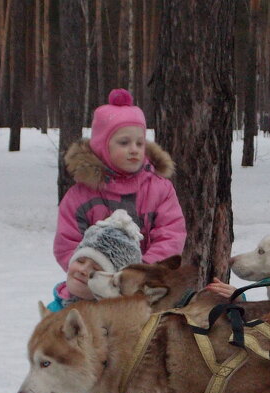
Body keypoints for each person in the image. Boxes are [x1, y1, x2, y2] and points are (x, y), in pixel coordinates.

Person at [44, 210, 228, 393]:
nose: (84, 270)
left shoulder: (130, 319)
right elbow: (51, 382)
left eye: (96, 268)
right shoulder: (56, 321)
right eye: (81, 260)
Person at [54, 89, 186, 271]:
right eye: (124, 143)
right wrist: (92, 272)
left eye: (140, 143)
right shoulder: (80, 195)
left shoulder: (159, 189)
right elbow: (67, 244)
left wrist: (142, 271)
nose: (134, 149)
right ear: (102, 146)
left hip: (146, 283)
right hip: (94, 284)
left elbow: (171, 235)